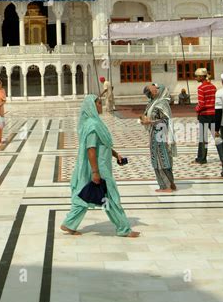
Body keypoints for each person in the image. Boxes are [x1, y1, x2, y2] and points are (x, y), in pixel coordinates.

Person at [60, 94, 139, 237]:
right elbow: (91, 149)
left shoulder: (95, 123)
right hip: (99, 168)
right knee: (110, 198)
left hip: (101, 166)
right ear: (91, 106)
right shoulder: (92, 125)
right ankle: (123, 229)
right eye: (98, 103)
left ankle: (69, 223)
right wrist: (95, 172)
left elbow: (104, 144)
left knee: (84, 195)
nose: (100, 106)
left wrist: (116, 155)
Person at [140, 83, 177, 193]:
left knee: (162, 159)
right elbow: (146, 115)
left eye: (155, 88)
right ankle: (170, 184)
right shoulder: (152, 103)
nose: (155, 89)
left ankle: (167, 186)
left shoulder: (162, 104)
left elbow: (165, 121)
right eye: (152, 89)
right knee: (158, 159)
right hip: (154, 134)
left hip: (161, 135)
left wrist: (150, 121)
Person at [194, 67, 220, 164]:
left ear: (201, 77)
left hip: (204, 115)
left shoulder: (201, 88)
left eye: (196, 76)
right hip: (213, 114)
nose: (195, 78)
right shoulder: (213, 87)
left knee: (203, 138)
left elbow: (201, 104)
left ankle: (202, 158)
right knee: (216, 136)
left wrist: (196, 109)